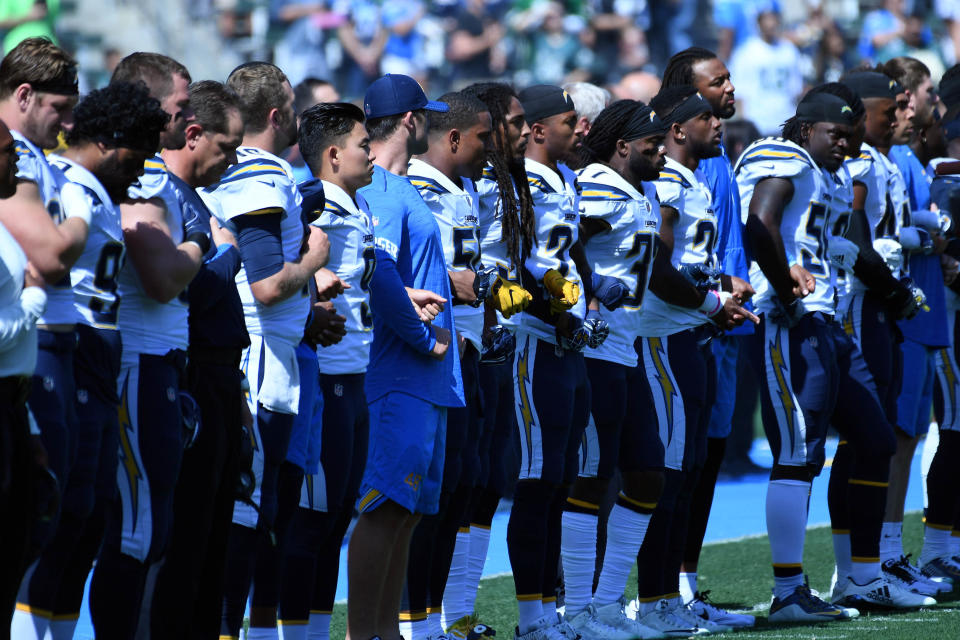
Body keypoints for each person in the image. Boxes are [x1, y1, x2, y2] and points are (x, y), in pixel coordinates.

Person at [11, 80, 170, 640]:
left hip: (99, 357)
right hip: (70, 351)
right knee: (60, 514)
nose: (143, 166)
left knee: (88, 515)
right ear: (108, 141)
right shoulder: (66, 182)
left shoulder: (97, 189)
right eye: (138, 152)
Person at [737, 88, 902, 622]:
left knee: (876, 440)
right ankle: (788, 592)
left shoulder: (828, 173)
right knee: (797, 454)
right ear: (807, 130)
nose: (846, 144)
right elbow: (760, 222)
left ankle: (863, 576)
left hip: (827, 322)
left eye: (852, 136)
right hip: (793, 322)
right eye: (837, 134)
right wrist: (785, 289)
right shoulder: (786, 158)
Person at [199, 61, 331, 639]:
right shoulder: (258, 175)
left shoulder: (256, 169)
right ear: (277, 115)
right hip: (258, 356)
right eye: (295, 107)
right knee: (247, 512)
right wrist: (313, 262)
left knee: (261, 510)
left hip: (269, 350)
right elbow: (265, 284)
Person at [622, 87, 757, 635]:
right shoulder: (668, 184)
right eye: (705, 117)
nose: (718, 125)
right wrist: (710, 301)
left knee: (691, 469)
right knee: (669, 474)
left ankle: (671, 596)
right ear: (677, 130)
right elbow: (658, 267)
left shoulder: (695, 180)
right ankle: (651, 600)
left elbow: (691, 265)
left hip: (694, 334)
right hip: (665, 339)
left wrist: (718, 294)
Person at [83, 52, 206, 638]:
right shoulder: (134, 176)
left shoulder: (154, 175)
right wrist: (206, 245)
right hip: (136, 361)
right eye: (179, 108)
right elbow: (161, 278)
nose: (187, 122)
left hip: (159, 364)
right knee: (135, 532)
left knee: (152, 531)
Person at [346, 73, 460, 640]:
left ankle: (386, 632)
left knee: (408, 511)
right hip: (401, 372)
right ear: (410, 121)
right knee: (387, 506)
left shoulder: (400, 186)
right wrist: (425, 340)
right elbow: (380, 273)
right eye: (427, 116)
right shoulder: (383, 191)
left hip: (424, 377)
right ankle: (364, 634)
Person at [829, 72, 947, 600]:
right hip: (859, 303)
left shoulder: (883, 162)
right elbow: (853, 231)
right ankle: (856, 570)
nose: (904, 115)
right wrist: (894, 257)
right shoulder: (859, 163)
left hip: (880, 304)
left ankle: (870, 566)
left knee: (876, 440)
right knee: (864, 439)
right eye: (893, 108)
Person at [659, 47, 759, 628]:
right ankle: (654, 588)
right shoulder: (675, 168)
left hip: (721, 321)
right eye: (716, 83)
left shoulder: (717, 155)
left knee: (707, 457)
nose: (729, 89)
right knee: (674, 460)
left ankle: (685, 582)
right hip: (688, 321)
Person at [149, 79, 248, 639]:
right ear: (193, 134)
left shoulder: (195, 198)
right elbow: (186, 291)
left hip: (218, 379)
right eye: (226, 146)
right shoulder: (164, 193)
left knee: (212, 536)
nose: (230, 160)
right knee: (185, 539)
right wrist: (227, 253)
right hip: (189, 375)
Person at [276, 101, 377, 640]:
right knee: (313, 519)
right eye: (364, 143)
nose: (372, 152)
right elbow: (279, 269)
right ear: (334, 154)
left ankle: (315, 630)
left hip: (355, 375)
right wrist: (312, 289)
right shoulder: (314, 205)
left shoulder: (352, 206)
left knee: (337, 516)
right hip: (326, 378)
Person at [403, 91, 495, 640]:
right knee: (427, 495)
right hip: (432, 358)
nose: (490, 147)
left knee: (459, 485)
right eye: (483, 136)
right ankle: (411, 620)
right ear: (454, 138)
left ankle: (434, 619)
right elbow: (401, 268)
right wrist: (449, 284)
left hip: (467, 354)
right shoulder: (414, 187)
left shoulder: (460, 189)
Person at [508, 84, 594, 640]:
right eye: (570, 120)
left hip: (567, 343)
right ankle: (531, 617)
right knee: (537, 482)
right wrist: (558, 311)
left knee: (561, 479)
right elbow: (520, 267)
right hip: (535, 339)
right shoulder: (518, 184)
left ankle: (553, 608)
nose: (580, 128)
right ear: (539, 129)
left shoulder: (561, 177)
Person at [452, 81, 534, 631]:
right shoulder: (466, 185)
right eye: (513, 122)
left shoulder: (506, 181)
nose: (523, 131)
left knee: (487, 481)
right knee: (463, 482)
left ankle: (458, 611)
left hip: (501, 341)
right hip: (469, 343)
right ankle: (432, 613)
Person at [0, 37, 80, 564]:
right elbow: (49, 258)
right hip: (32, 347)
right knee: (32, 530)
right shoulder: (13, 152)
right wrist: (81, 210)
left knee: (49, 518)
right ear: (25, 95)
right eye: (60, 110)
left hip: (36, 355)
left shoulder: (32, 155)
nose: (67, 126)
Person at [875, 58, 954, 583]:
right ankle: (877, 557)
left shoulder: (906, 159)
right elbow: (892, 235)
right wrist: (933, 241)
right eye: (921, 91)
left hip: (922, 321)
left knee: (908, 440)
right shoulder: (895, 159)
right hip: (905, 318)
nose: (928, 101)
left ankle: (890, 555)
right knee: (895, 441)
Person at [0, 116, 44, 639]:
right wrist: (33, 301)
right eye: (7, 151)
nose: (17, 159)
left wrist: (28, 427)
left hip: (14, 406)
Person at [923, 106, 960, 581]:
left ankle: (947, 544)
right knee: (951, 428)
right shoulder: (943, 177)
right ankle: (935, 547)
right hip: (946, 320)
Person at [728, 6, 803, 136]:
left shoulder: (789, 50)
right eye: (766, 19)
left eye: (773, 19)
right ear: (758, 22)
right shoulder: (745, 52)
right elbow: (739, 93)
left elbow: (796, 90)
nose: (771, 24)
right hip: (758, 125)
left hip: (785, 122)